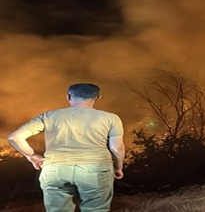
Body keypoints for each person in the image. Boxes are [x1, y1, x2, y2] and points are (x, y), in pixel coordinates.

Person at [6, 83, 126, 212]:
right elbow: (117, 148)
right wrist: (118, 167)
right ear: (97, 98)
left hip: (55, 170)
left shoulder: (47, 116)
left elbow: (15, 137)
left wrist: (32, 155)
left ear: (68, 96)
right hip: (96, 169)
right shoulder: (111, 118)